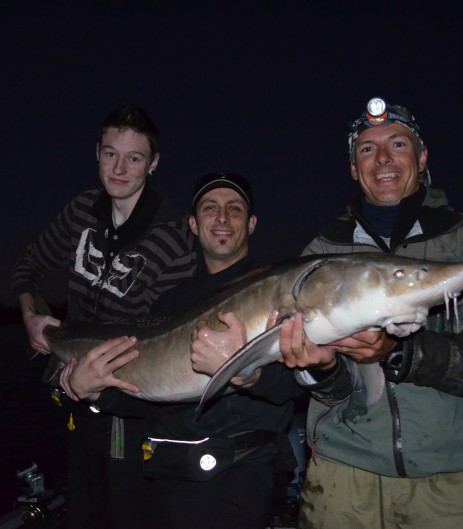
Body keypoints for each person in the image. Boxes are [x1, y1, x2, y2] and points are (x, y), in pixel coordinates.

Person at [276, 97, 463, 528]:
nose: (383, 160)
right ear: (354, 168)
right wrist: (318, 369)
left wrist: (397, 353)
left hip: (457, 479)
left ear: (422, 156)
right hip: (342, 477)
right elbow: (325, 392)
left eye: (398, 144)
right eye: (367, 150)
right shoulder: (321, 254)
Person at [61, 173, 301, 529]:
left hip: (236, 478)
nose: (222, 218)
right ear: (193, 223)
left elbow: (298, 384)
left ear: (251, 224)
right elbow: (147, 390)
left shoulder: (280, 290)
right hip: (162, 476)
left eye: (234, 209)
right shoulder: (170, 302)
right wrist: (92, 392)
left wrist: (247, 372)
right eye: (210, 208)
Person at [10, 105, 197, 529]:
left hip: (133, 410)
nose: (119, 168)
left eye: (134, 158)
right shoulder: (81, 211)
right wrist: (30, 318)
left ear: (154, 163)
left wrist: (91, 384)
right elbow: (28, 267)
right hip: (75, 400)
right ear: (96, 152)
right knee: (85, 513)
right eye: (110, 153)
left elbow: (162, 336)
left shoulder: (173, 237)